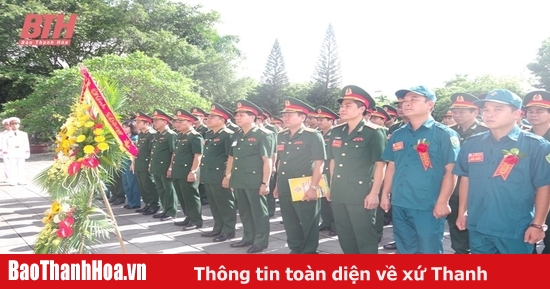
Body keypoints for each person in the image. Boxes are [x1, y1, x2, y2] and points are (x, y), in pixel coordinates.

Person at [454, 89, 550, 254]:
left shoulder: (537, 146)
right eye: (486, 110)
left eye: (498, 109)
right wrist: (462, 212)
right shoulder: (472, 144)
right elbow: (466, 179)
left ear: (517, 114)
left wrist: (538, 224)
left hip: (515, 229)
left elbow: (544, 186)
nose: (490, 114)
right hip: (478, 225)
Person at [381, 85, 460, 254]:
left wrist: (443, 201)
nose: (407, 104)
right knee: (405, 249)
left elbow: (451, 171)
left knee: (429, 249)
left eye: (414, 100)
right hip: (400, 202)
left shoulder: (444, 134)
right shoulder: (398, 134)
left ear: (429, 104)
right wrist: (385, 194)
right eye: (405, 101)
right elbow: (392, 167)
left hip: (427, 204)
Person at [327, 85, 387, 254]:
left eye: (348, 105)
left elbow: (380, 165)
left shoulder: (373, 132)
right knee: (345, 235)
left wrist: (375, 193)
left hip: (361, 193)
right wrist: (331, 186)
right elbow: (333, 161)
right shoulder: (336, 131)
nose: (342, 109)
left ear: (362, 109)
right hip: (339, 190)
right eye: (341, 105)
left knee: (365, 236)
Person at [273, 97, 326, 253]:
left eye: (290, 114)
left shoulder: (313, 135)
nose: (285, 118)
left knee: (308, 220)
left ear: (302, 117)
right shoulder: (281, 135)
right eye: (284, 114)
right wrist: (277, 185)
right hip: (285, 184)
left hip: (304, 184)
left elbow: (319, 163)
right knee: (290, 221)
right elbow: (280, 162)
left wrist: (313, 188)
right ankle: (295, 249)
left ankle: (309, 251)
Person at [225, 100, 275, 253]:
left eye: (242, 115)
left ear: (252, 117)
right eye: (236, 115)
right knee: (245, 211)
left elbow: (267, 160)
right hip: (239, 179)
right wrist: (229, 176)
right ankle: (248, 237)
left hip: (255, 180)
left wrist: (265, 183)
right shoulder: (238, 134)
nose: (237, 118)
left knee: (259, 212)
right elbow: (232, 158)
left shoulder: (264, 135)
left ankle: (261, 241)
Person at [446, 93, 489, 254]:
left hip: (478, 186)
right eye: (455, 111)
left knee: (478, 224)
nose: (457, 115)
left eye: (462, 111)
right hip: (454, 186)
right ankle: (460, 251)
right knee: (455, 222)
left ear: (475, 112)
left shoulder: (486, 131)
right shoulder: (448, 132)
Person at [201, 103, 237, 242]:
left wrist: (227, 176)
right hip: (209, 173)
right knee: (214, 203)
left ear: (222, 120)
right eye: (208, 117)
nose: (208, 119)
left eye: (212, 117)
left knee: (225, 203)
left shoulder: (228, 135)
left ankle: (228, 230)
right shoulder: (209, 133)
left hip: (220, 174)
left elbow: (231, 157)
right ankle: (218, 227)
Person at [524, 90, 550, 254]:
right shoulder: (521, 139)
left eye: (539, 110)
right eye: (530, 111)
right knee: (526, 243)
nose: (534, 114)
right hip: (528, 200)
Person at [171, 109, 204, 230]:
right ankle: (189, 216)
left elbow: (198, 155)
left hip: (188, 171)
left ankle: (196, 220)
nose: (177, 123)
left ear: (190, 122)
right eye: (176, 121)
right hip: (178, 171)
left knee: (191, 195)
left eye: (181, 121)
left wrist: (193, 171)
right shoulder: (180, 136)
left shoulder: (195, 137)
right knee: (182, 196)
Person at [150, 109, 178, 221]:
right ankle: (165, 209)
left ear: (165, 122)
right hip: (157, 167)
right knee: (161, 189)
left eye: (157, 120)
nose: (154, 122)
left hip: (166, 167)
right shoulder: (157, 134)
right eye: (154, 120)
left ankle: (171, 211)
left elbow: (174, 152)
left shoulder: (171, 135)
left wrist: (171, 167)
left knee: (169, 190)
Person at [315, 106, 338, 236]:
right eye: (318, 119)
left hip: (331, 169)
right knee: (323, 197)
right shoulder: (317, 133)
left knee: (332, 199)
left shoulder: (335, 133)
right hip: (320, 170)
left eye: (322, 119)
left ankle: (336, 225)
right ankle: (326, 222)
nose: (319, 122)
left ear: (331, 120)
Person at [133, 112, 160, 215]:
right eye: (136, 121)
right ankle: (147, 204)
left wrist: (150, 164)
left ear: (146, 123)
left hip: (146, 163)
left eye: (138, 122)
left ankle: (154, 205)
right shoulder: (141, 134)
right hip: (140, 163)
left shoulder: (151, 134)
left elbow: (152, 151)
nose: (136, 123)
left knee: (149, 185)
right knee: (142, 186)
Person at [2, 117, 30, 186]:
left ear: (19, 125)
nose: (14, 125)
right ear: (10, 125)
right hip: (11, 152)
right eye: (12, 124)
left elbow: (26, 144)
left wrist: (27, 152)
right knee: (12, 167)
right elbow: (4, 145)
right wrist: (5, 154)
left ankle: (21, 180)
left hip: (21, 151)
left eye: (16, 124)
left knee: (21, 167)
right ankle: (13, 181)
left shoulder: (24, 134)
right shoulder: (6, 135)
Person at [121, 120, 141, 209]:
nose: (124, 129)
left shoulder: (135, 138)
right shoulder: (124, 138)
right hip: (123, 162)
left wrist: (133, 163)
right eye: (123, 127)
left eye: (126, 127)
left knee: (132, 183)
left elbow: (135, 153)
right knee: (126, 183)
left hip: (130, 163)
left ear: (132, 128)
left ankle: (135, 202)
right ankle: (129, 201)